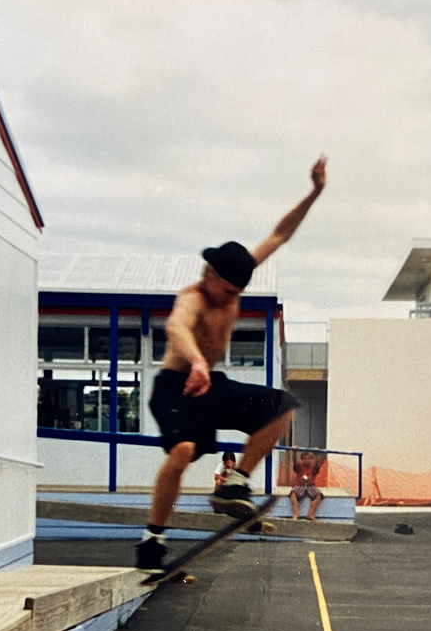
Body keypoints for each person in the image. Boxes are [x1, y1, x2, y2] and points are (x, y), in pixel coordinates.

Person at [135, 157, 329, 571]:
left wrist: (314, 193)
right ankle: (152, 538)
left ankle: (237, 482)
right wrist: (196, 363)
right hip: (176, 384)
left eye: (236, 293)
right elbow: (176, 327)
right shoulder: (194, 296)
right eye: (224, 291)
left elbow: (279, 234)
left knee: (282, 406)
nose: (228, 299)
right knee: (184, 450)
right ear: (209, 274)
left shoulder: (235, 274)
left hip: (211, 383)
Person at [289, 451, 324, 521]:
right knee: (293, 493)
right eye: (304, 458)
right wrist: (294, 452)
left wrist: (316, 455)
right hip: (300, 485)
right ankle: (296, 514)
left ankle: (310, 514)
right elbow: (295, 462)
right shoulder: (299, 466)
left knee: (319, 495)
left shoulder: (313, 467)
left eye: (308, 458)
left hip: (310, 486)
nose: (307, 460)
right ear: (302, 459)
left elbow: (318, 465)